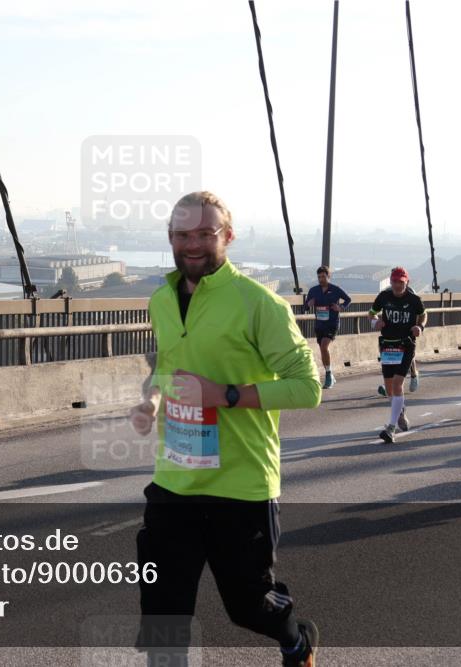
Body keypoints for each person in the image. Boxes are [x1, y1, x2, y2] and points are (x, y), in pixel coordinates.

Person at [129, 191, 320, 667]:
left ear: (227, 237)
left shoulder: (260, 305)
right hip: (174, 482)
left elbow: (307, 387)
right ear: (170, 238)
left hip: (241, 486)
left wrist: (227, 395)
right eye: (181, 235)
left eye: (204, 234)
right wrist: (151, 401)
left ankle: (296, 637)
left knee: (248, 607)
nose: (192, 244)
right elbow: (168, 367)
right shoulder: (161, 300)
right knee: (162, 613)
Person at [368, 267, 426, 443]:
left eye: (401, 282)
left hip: (406, 344)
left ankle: (391, 428)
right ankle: (400, 410)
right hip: (388, 345)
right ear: (390, 282)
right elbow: (371, 312)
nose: (398, 285)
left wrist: (420, 327)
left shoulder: (414, 299)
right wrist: (374, 321)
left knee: (398, 384)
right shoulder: (384, 297)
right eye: (395, 281)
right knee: (389, 389)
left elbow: (423, 315)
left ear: (406, 282)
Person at [305, 266, 352, 389]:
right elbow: (305, 306)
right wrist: (308, 304)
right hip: (319, 324)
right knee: (322, 349)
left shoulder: (335, 289)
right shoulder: (313, 290)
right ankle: (329, 373)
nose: (321, 279)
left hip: (332, 324)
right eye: (319, 277)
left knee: (325, 346)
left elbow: (348, 299)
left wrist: (340, 307)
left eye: (323, 277)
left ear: (328, 276)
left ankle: (328, 375)